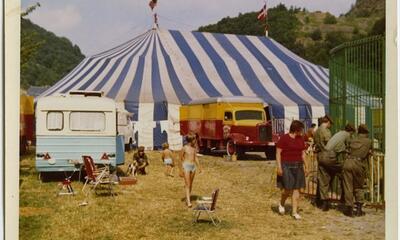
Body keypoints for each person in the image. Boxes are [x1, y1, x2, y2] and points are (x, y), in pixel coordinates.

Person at [276, 120, 308, 220]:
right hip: (286, 165)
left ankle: (294, 212)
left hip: (298, 165)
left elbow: (303, 154)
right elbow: (278, 153)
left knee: (297, 188)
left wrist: (306, 166)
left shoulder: (301, 139)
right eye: (301, 130)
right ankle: (281, 203)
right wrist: (279, 167)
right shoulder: (284, 138)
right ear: (296, 130)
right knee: (287, 189)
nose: (302, 132)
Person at [342, 124, 372, 217]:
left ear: (358, 132)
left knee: (348, 186)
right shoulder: (368, 141)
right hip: (359, 164)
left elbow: (347, 149)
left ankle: (349, 209)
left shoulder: (352, 140)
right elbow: (370, 153)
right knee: (359, 186)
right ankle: (359, 210)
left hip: (347, 162)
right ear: (366, 133)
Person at [313, 115, 336, 211]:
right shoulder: (325, 131)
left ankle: (319, 200)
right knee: (327, 179)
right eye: (330, 124)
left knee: (322, 178)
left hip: (320, 155)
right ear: (328, 122)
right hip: (327, 155)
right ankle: (325, 201)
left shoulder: (317, 131)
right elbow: (329, 142)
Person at [180, 134, 202, 207]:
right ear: (191, 140)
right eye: (194, 139)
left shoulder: (193, 149)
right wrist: (181, 169)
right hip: (186, 166)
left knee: (190, 184)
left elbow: (196, 158)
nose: (195, 141)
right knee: (187, 184)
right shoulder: (184, 148)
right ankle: (188, 202)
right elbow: (180, 158)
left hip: (193, 167)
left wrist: (200, 167)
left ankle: (187, 198)